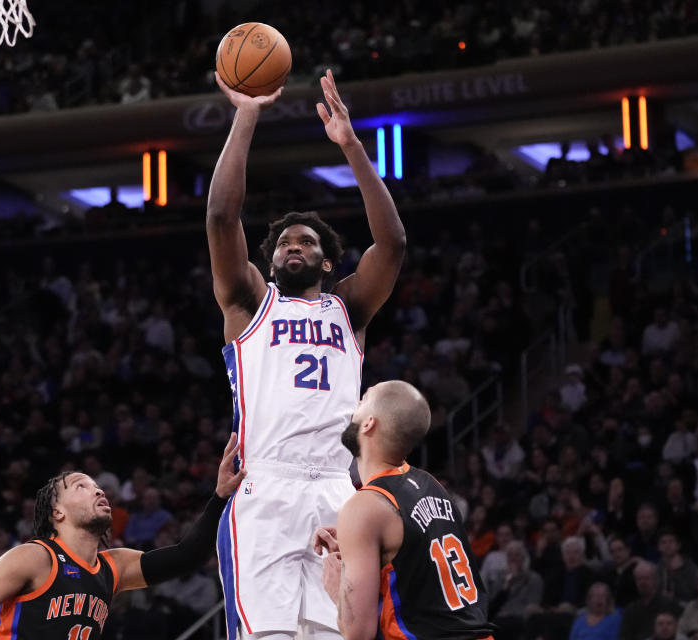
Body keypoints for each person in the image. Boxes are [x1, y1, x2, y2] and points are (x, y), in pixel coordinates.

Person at [206, 66, 406, 640]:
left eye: (308, 242)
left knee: (337, 634)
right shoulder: (248, 302)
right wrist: (247, 115)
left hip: (336, 488)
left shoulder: (350, 309)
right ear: (270, 263)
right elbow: (221, 216)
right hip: (266, 485)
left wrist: (351, 147)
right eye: (284, 243)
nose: (295, 245)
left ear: (326, 263)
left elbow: (392, 243)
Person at [0, 434, 246, 640]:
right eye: (81, 486)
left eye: (97, 486)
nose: (98, 490)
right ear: (58, 513)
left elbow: (187, 555)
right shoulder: (35, 557)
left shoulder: (113, 567)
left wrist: (220, 496)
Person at [315, 381, 492, 640]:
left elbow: (358, 634)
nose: (355, 406)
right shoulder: (432, 485)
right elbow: (418, 567)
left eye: (363, 399)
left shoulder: (364, 508)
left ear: (369, 424)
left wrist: (336, 588)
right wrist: (362, 548)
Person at [618, 561, 681, 640]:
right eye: (639, 579)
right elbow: (624, 637)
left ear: (655, 580)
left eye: (646, 578)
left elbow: (678, 632)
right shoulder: (631, 609)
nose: (642, 582)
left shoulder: (669, 604)